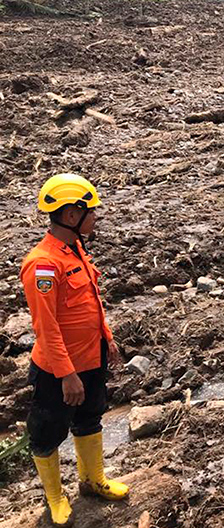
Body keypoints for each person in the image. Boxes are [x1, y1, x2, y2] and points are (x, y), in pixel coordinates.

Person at [21, 174, 128, 527]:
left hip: (91, 357)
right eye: (91, 212)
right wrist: (67, 374)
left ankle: (92, 480)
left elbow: (90, 302)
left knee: (90, 418)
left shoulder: (75, 250)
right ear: (71, 216)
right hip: (57, 370)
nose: (96, 217)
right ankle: (55, 496)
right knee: (47, 431)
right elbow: (46, 327)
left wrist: (106, 338)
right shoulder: (43, 265)